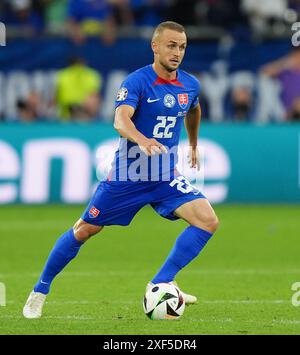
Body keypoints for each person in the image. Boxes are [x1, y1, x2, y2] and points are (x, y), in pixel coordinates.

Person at [23, 21, 219, 319]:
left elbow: (193, 108)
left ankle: (162, 281)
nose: (177, 52)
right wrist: (142, 140)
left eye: (181, 47)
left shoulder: (190, 84)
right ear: (155, 46)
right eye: (171, 45)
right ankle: (40, 290)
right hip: (130, 176)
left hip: (165, 176)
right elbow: (120, 120)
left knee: (207, 220)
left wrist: (192, 144)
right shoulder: (136, 82)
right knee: (85, 229)